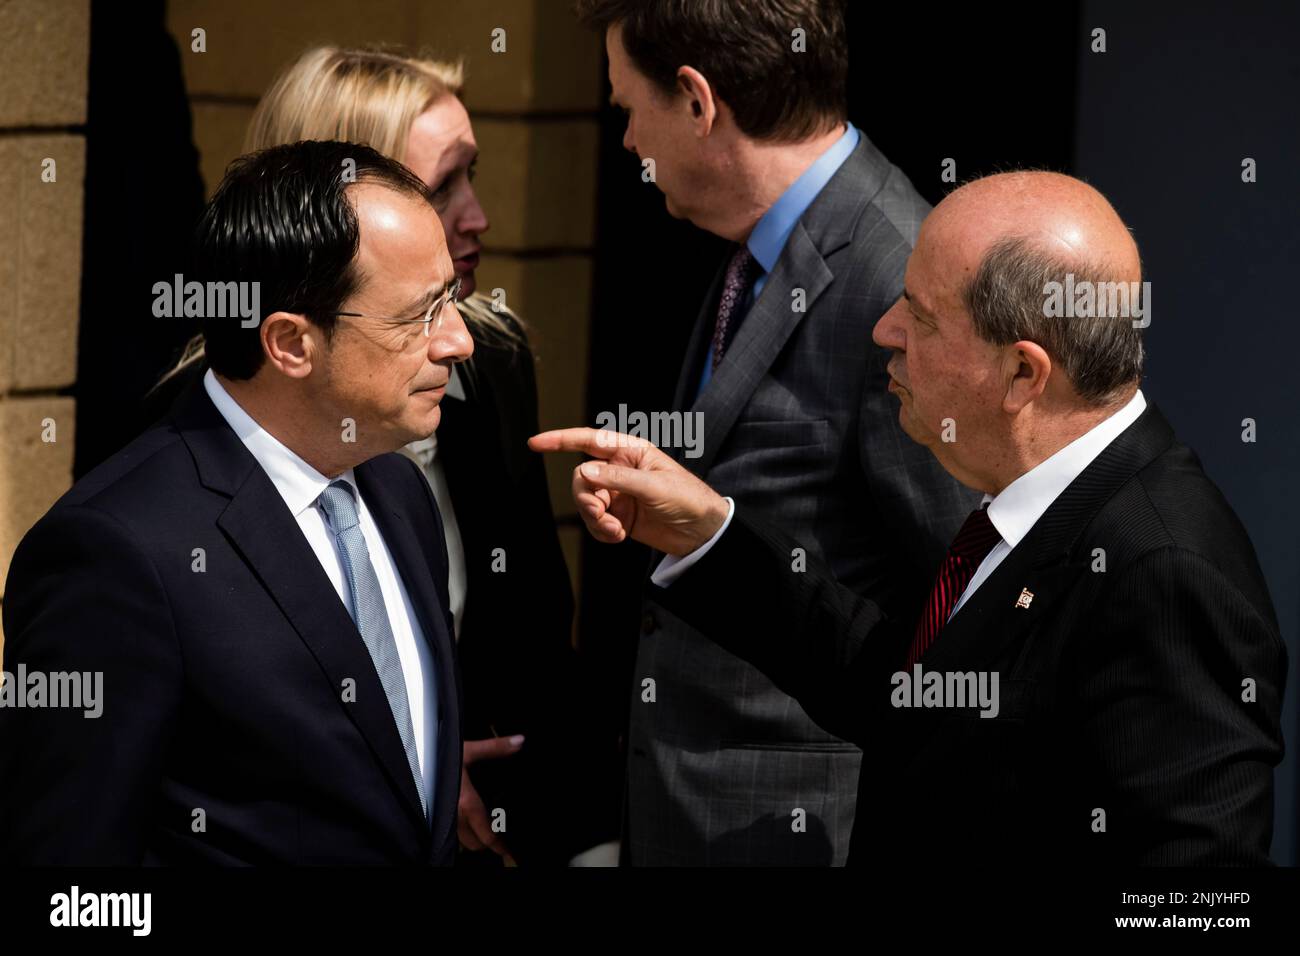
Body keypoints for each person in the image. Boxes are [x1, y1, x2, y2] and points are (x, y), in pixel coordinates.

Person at [531, 170, 1289, 864]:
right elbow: (913, 698)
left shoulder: (1162, 569)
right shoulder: (1032, 503)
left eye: (921, 316)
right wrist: (711, 535)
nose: (885, 330)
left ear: (1022, 372)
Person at [159, 46, 619, 866]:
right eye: (440, 187)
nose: (476, 215)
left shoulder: (489, 360)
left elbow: (534, 637)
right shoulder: (185, 461)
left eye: (468, 175)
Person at [574, 0, 977, 864]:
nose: (628, 143)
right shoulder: (761, 242)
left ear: (696, 98)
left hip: (806, 828)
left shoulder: (897, 275)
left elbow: (963, 597)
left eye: (627, 108)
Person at [0, 141, 472, 864]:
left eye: (450, 298)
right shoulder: (117, 554)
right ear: (290, 343)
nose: (458, 340)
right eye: (418, 316)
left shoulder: (398, 491)